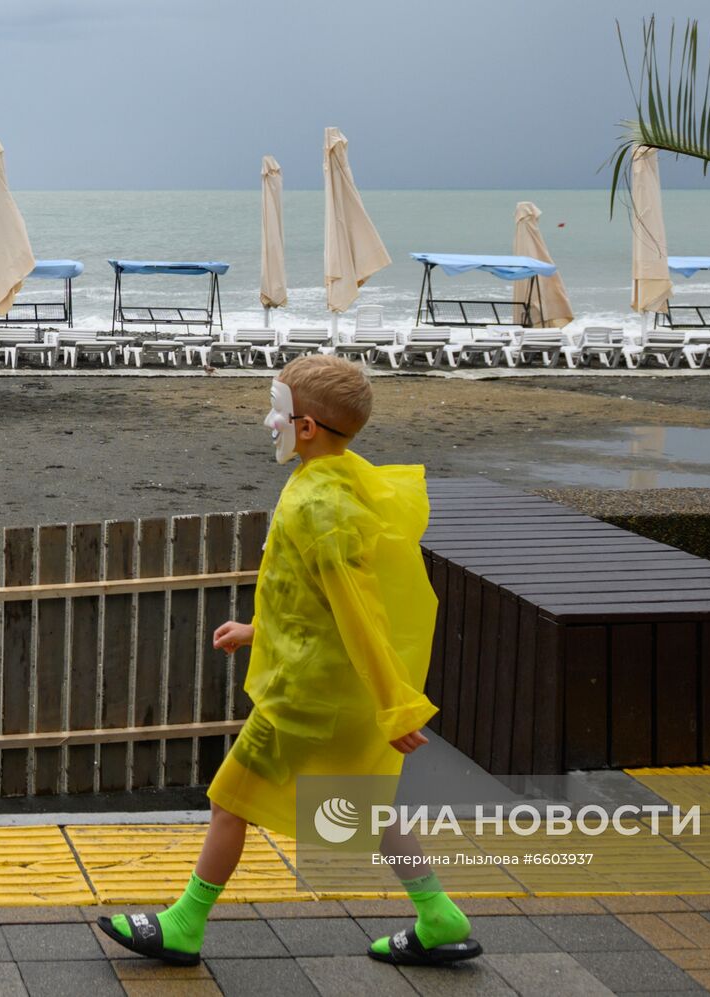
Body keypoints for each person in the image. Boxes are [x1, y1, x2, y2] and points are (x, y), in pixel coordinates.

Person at [100, 354, 480, 967]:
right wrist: (257, 630)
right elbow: (315, 599)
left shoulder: (318, 507)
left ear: (306, 428)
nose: (267, 423)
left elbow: (360, 609)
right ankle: (438, 914)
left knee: (230, 799)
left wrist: (398, 704)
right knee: (364, 805)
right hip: (335, 685)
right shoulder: (341, 480)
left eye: (277, 411)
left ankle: (185, 923)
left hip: (308, 697)